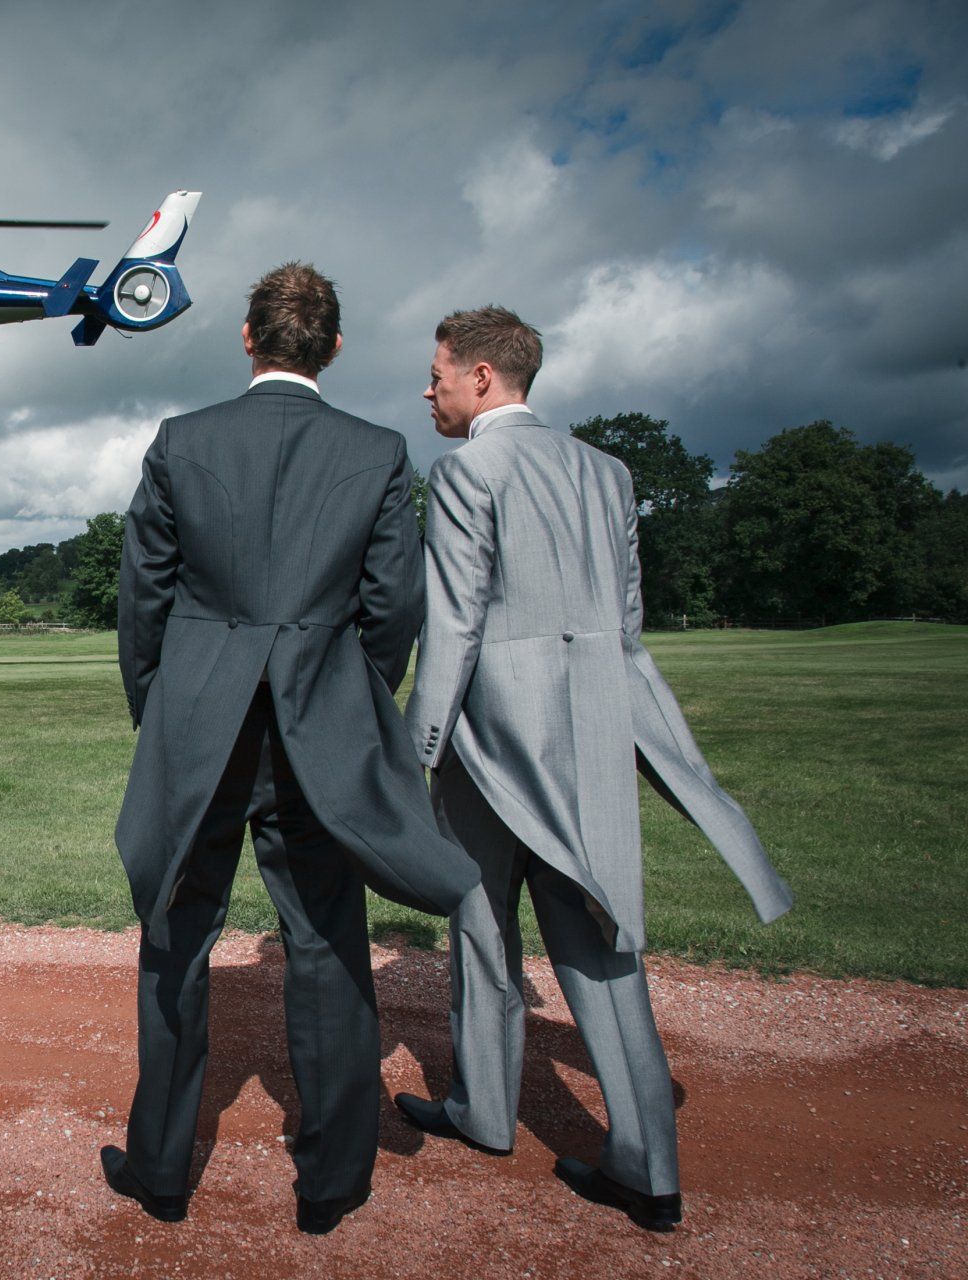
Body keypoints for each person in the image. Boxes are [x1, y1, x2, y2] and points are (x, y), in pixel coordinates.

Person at [397, 305, 793, 1231]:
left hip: (491, 740)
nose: (430, 389)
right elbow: (625, 622)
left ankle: (485, 1114)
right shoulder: (609, 473)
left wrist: (418, 752)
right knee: (604, 942)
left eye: (438, 373)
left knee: (482, 923)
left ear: (483, 378)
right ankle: (648, 1165)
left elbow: (452, 625)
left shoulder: (465, 472)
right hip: (598, 725)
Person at [102, 262, 479, 1235]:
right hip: (318, 726)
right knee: (325, 940)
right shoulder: (378, 449)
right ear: (337, 346)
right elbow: (394, 608)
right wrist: (347, 700)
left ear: (246, 336)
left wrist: (166, 710)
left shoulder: (185, 441)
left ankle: (160, 1169)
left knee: (177, 937)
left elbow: (143, 600)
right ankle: (332, 1179)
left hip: (200, 725)